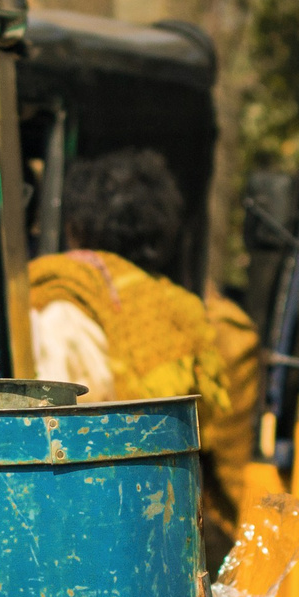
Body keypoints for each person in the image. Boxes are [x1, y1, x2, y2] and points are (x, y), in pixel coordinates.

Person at [27, 148, 261, 548]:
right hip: (172, 525)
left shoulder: (45, 297)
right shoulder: (196, 317)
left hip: (66, 521)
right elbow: (230, 462)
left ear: (74, 227)